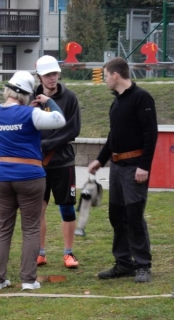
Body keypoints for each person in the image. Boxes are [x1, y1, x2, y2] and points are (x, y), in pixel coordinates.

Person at [0, 71, 66, 290]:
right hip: (30, 176)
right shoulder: (30, 114)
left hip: (1, 175)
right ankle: (28, 280)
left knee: (3, 228)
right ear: (26, 94)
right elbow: (60, 120)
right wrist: (49, 101)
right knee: (31, 228)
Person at [88, 57, 158, 283]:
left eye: (106, 75)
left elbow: (151, 135)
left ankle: (143, 264)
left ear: (116, 75)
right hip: (117, 168)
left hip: (134, 167)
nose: (106, 79)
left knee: (134, 215)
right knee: (117, 215)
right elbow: (113, 136)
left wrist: (144, 166)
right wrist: (100, 160)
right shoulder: (117, 102)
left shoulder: (141, 98)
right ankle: (123, 262)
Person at [34, 55, 81, 268]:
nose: (52, 78)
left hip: (63, 162)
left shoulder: (70, 98)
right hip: (38, 164)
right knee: (38, 209)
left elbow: (73, 129)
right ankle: (40, 252)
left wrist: (47, 145)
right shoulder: (32, 98)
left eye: (54, 74)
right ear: (39, 77)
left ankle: (68, 253)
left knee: (67, 208)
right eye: (47, 75)